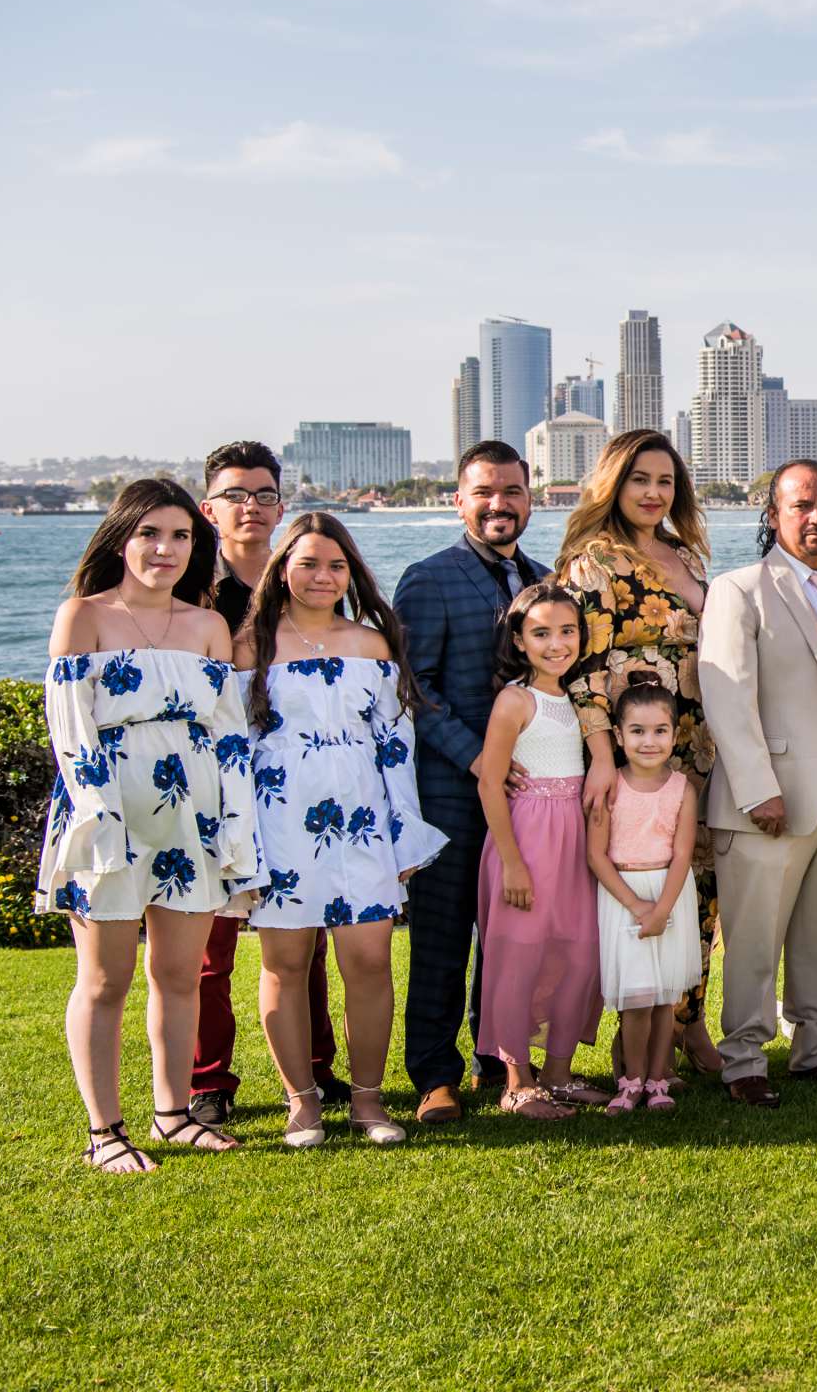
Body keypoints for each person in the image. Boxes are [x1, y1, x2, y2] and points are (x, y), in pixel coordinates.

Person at [38, 480, 260, 1172]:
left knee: (178, 974)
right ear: (121, 538)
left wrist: (235, 826)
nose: (165, 550)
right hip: (107, 816)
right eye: (149, 534)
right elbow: (69, 730)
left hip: (190, 821)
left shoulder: (208, 626)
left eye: (181, 537)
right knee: (104, 980)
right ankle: (104, 1133)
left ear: (198, 547)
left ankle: (173, 1115)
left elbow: (230, 735)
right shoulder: (84, 616)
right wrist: (98, 818)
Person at [234, 513, 445, 1148]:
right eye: (309, 564)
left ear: (351, 574)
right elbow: (234, 751)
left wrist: (405, 834)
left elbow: (395, 748)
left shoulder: (374, 644)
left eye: (336, 565)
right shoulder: (251, 646)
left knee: (370, 963)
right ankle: (301, 1105)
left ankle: (369, 1103)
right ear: (282, 570)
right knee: (286, 965)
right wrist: (240, 840)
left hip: (364, 827)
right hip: (280, 828)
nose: (323, 576)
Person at [697, 459, 817, 1109]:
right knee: (754, 937)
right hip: (768, 799)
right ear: (773, 514)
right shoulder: (740, 589)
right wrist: (758, 789)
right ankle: (744, 1059)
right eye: (801, 505)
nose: (816, 517)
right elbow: (726, 695)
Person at [392, 441, 552, 1125]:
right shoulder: (429, 578)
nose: (499, 504)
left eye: (512, 491)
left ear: (529, 499)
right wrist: (478, 758)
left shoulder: (544, 579)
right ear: (459, 500)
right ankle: (434, 1074)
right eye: (485, 491)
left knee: (513, 935)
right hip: (454, 792)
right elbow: (415, 688)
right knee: (442, 934)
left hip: (529, 796)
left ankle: (500, 1057)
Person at [557, 429, 722, 1080]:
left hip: (698, 751)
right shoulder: (593, 561)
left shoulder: (684, 553)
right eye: (639, 480)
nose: (654, 493)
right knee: (638, 890)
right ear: (613, 484)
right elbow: (580, 665)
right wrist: (602, 757)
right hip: (636, 758)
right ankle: (635, 1037)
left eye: (665, 482)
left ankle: (689, 1023)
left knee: (699, 891)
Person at [188, 440, 341, 1129]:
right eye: (236, 496)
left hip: (297, 786)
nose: (251, 508)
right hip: (210, 788)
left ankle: (314, 1069)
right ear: (209, 508)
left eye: (264, 495)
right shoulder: (191, 592)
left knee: (304, 941)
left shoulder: (302, 584)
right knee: (209, 949)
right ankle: (207, 1080)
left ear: (281, 505)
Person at [475, 581, 607, 1119]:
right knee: (519, 956)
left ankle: (557, 1071)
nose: (557, 643)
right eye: (542, 632)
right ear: (520, 639)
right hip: (526, 837)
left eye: (567, 630)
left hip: (575, 837)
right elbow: (490, 780)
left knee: (578, 953)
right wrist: (511, 862)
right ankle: (516, 1081)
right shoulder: (515, 699)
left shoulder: (580, 696)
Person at [588, 684, 701, 1116]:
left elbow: (683, 854)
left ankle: (657, 1079)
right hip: (624, 897)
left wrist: (663, 908)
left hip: (670, 895)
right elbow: (596, 855)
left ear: (675, 735)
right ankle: (629, 1080)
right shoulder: (609, 787)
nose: (648, 742)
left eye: (659, 731)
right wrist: (639, 908)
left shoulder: (682, 790)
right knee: (636, 999)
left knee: (661, 1000)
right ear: (619, 736)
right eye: (637, 731)